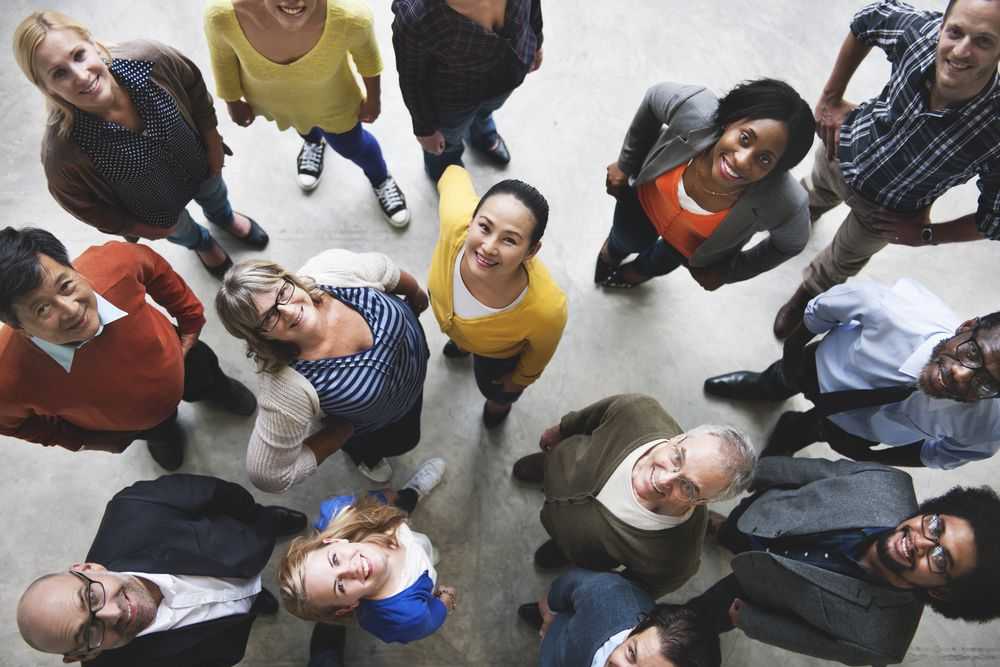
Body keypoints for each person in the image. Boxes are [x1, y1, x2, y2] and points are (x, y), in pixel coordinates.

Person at [773, 0, 1000, 338]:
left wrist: (927, 236)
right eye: (955, 32)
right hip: (844, 149)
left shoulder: (995, 129)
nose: (962, 51)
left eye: (984, 41)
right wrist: (830, 98)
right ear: (942, 27)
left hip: (887, 213)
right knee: (813, 193)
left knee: (841, 260)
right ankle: (802, 217)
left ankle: (809, 291)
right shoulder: (918, 34)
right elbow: (868, 20)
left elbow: (994, 219)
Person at [13, 10, 267, 280]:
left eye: (79, 55)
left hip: (200, 163)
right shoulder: (63, 155)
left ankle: (223, 217)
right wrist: (136, 226)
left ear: (92, 44)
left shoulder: (150, 60)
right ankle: (201, 242)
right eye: (59, 73)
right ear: (46, 87)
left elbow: (192, 85)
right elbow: (83, 205)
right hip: (158, 210)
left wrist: (212, 139)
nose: (81, 76)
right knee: (182, 230)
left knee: (215, 195)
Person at [693, 456, 1000, 666]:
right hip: (765, 515)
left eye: (941, 559)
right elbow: (807, 471)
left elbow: (810, 641)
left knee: (693, 624)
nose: (919, 541)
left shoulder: (882, 642)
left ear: (941, 591)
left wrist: (749, 620)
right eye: (936, 526)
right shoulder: (887, 482)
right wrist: (751, 473)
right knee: (733, 530)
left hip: (757, 591)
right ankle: (722, 533)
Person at [0, 227, 255, 470]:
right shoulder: (7, 376)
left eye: (65, 286)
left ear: (76, 271)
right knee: (158, 430)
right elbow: (12, 424)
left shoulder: (113, 263)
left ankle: (218, 391)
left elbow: (154, 267)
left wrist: (190, 319)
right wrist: (86, 440)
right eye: (42, 309)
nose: (72, 309)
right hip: (131, 423)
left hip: (182, 357)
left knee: (207, 378)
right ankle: (163, 436)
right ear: (21, 327)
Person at [705, 278, 1000, 469]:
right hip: (819, 369)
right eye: (973, 353)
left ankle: (790, 434)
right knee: (781, 377)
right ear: (966, 327)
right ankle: (765, 386)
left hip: (859, 432)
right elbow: (823, 310)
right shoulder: (892, 309)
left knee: (811, 432)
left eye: (987, 383)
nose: (962, 376)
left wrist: (873, 458)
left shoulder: (989, 425)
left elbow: (942, 454)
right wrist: (792, 353)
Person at [15, 474, 307, 666]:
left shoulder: (137, 507)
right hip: (228, 632)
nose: (114, 614)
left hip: (248, 541)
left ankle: (269, 523)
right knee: (251, 605)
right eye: (89, 632)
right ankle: (251, 603)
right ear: (81, 654)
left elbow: (221, 495)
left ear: (90, 569)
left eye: (91, 597)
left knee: (261, 525)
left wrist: (256, 517)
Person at [216, 248, 430, 487]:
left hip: (415, 375)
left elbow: (388, 272)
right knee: (403, 442)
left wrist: (416, 293)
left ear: (288, 279)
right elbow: (269, 475)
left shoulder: (333, 270)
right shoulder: (285, 385)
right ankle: (364, 457)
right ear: (257, 336)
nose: (288, 311)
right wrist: (339, 434)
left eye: (283, 293)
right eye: (268, 318)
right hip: (385, 422)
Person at [512, 393, 756, 596]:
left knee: (569, 548)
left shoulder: (677, 559)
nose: (662, 480)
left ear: (704, 501)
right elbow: (589, 418)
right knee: (550, 464)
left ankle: (561, 549)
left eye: (688, 487)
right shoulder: (638, 412)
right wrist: (560, 431)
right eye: (677, 457)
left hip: (577, 548)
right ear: (679, 437)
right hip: (560, 463)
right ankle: (545, 467)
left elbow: (627, 593)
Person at [204, 0, 410, 226]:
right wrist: (232, 101)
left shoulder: (351, 19)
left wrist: (373, 101)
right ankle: (313, 143)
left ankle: (381, 179)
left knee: (352, 145)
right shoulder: (222, 18)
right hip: (279, 103)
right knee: (303, 127)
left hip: (334, 104)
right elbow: (222, 61)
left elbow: (369, 61)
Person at [597, 79, 815, 289]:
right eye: (745, 138)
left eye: (765, 159)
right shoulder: (694, 108)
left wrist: (730, 272)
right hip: (643, 203)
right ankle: (611, 254)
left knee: (658, 263)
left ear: (776, 170)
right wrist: (627, 163)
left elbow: (791, 243)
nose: (741, 160)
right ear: (732, 121)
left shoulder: (784, 201)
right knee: (626, 238)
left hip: (687, 248)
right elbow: (654, 98)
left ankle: (637, 273)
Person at [428, 166, 566, 427]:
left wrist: (517, 381)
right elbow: (453, 174)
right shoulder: (454, 218)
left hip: (496, 358)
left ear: (531, 251)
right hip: (455, 325)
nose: (488, 247)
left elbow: (539, 354)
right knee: (460, 338)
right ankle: (461, 344)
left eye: (510, 240)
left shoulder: (546, 309)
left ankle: (498, 405)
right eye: (484, 227)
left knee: (496, 390)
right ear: (471, 219)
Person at [278, 469, 455, 645]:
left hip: (403, 530)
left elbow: (377, 499)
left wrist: (392, 497)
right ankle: (429, 557)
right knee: (428, 555)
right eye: (340, 586)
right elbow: (433, 617)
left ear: (333, 541)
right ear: (349, 606)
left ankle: (414, 491)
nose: (351, 568)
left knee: (410, 517)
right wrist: (445, 597)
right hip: (423, 574)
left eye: (335, 560)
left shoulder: (341, 511)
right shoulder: (405, 618)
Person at [390, 0, 544, 181]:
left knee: (487, 111)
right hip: (455, 99)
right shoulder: (416, 17)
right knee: (447, 144)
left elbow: (533, 5)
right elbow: (412, 78)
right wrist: (425, 129)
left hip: (507, 77)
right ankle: (446, 167)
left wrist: (537, 40)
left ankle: (482, 133)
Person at [518, 569, 721, 667]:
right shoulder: (607, 593)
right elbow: (568, 585)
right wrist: (549, 614)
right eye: (631, 654)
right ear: (639, 627)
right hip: (557, 643)